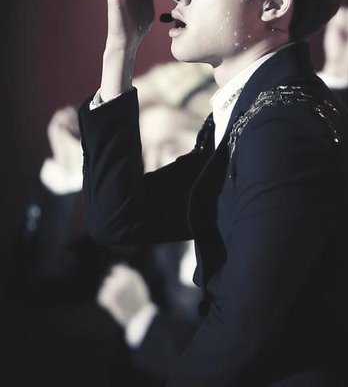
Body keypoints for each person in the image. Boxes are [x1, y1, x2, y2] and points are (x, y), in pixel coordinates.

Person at [78, 0, 348, 386]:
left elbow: (242, 329)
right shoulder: (258, 114)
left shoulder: (286, 125)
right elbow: (119, 220)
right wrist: (120, 50)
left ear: (274, 4)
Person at [8, 68, 209, 386]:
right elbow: (35, 280)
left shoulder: (264, 233)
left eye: (173, 148)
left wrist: (144, 323)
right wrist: (65, 171)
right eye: (144, 153)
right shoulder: (134, 240)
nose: (154, 167)